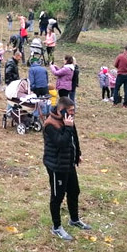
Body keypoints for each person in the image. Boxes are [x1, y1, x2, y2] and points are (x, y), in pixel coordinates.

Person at [43, 96, 90, 241]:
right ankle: (56, 227)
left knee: (74, 191)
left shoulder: (69, 120)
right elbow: (61, 142)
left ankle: (74, 219)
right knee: (57, 197)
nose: (73, 113)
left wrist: (77, 155)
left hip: (68, 163)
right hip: (57, 166)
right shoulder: (50, 124)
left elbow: (74, 139)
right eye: (70, 111)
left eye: (74, 110)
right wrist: (68, 127)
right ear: (61, 110)